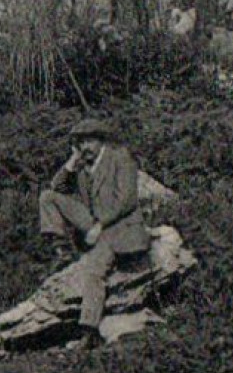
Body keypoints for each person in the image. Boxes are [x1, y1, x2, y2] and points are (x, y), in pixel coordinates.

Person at [38, 118, 152, 332]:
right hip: (93, 223)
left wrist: (99, 226)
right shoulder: (81, 167)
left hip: (118, 227)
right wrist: (72, 161)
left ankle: (87, 330)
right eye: (80, 143)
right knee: (47, 196)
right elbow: (57, 187)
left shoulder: (121, 158)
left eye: (89, 141)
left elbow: (127, 200)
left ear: (101, 141)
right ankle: (61, 251)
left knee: (94, 272)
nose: (84, 148)